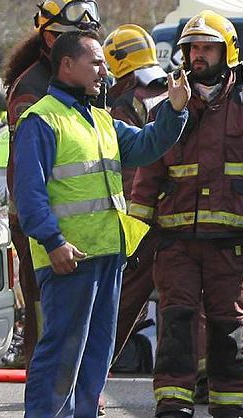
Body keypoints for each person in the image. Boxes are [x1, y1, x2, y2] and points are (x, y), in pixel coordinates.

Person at [128, 10, 243, 418]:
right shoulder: (165, 112)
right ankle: (172, 402)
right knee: (177, 321)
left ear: (228, 54)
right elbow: (146, 178)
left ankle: (228, 403)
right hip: (176, 241)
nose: (198, 56)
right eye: (193, 48)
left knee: (227, 326)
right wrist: (136, 235)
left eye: (207, 48)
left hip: (231, 245)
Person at [13, 29, 189, 418]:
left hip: (107, 254)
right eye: (95, 63)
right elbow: (29, 194)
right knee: (61, 354)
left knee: (96, 354)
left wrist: (175, 110)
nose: (104, 73)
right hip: (68, 258)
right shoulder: (41, 120)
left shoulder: (101, 120)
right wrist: (53, 241)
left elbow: (146, 146)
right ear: (66, 65)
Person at [2, 0, 101, 375]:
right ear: (50, 39)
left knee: (81, 314)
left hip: (80, 224)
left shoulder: (82, 83)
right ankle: (49, 391)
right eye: (77, 38)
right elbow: (30, 175)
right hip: (41, 225)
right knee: (48, 315)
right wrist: (49, 235)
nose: (89, 47)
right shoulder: (32, 91)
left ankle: (75, 388)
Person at [102, 23, 171, 361]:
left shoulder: (121, 103)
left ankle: (89, 380)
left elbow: (132, 176)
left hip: (140, 224)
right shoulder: (164, 92)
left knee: (120, 306)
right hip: (169, 218)